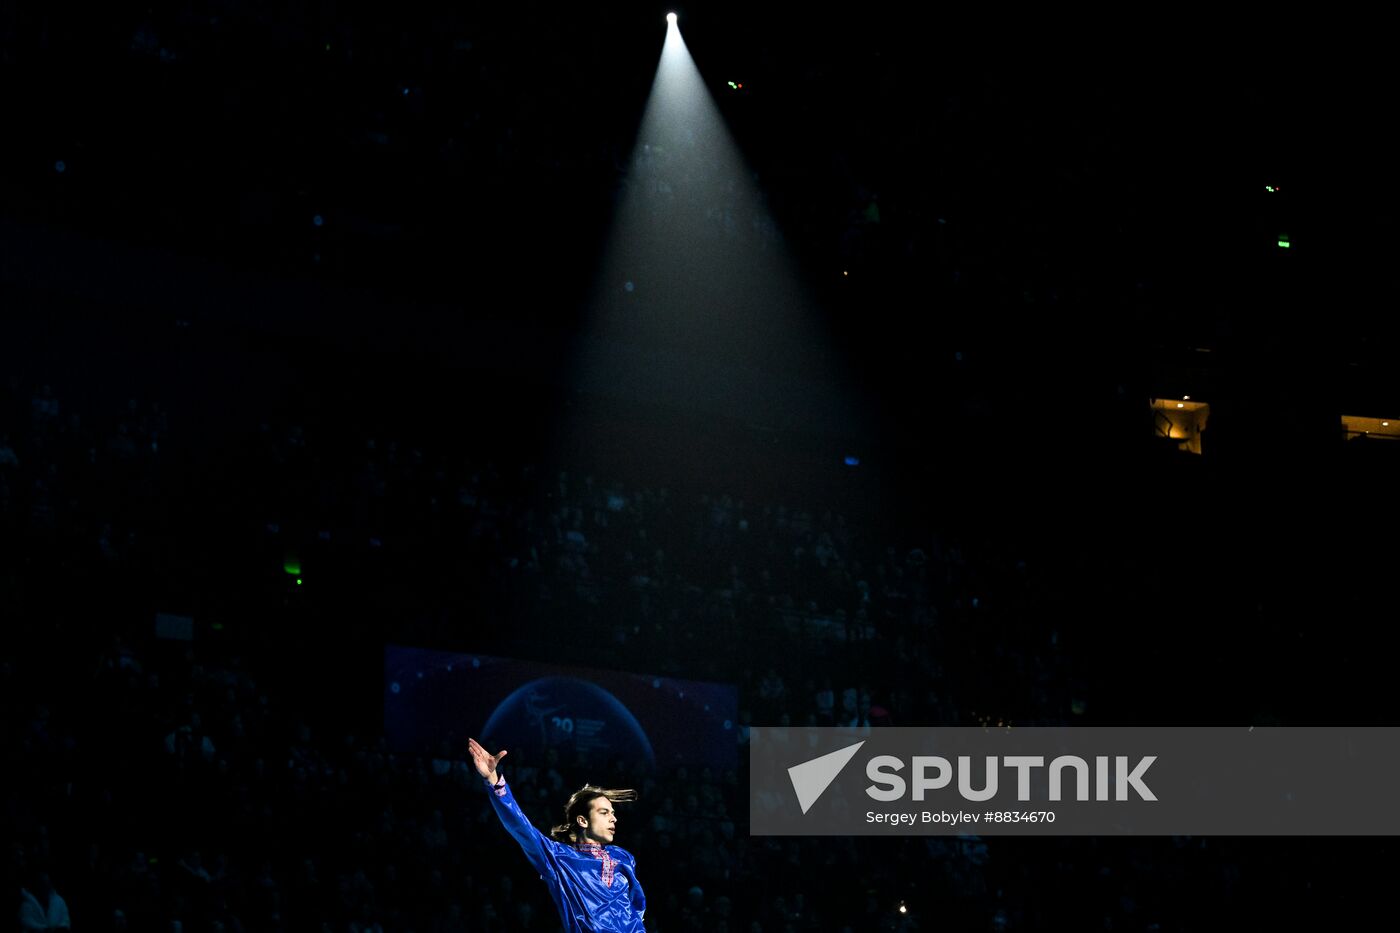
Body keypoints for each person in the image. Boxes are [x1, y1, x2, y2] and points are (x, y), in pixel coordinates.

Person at [469, 737, 647, 932]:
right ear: (582, 821)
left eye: (613, 813)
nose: (613, 819)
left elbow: (637, 908)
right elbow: (522, 828)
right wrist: (493, 780)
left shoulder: (624, 857)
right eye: (604, 812)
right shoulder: (559, 857)